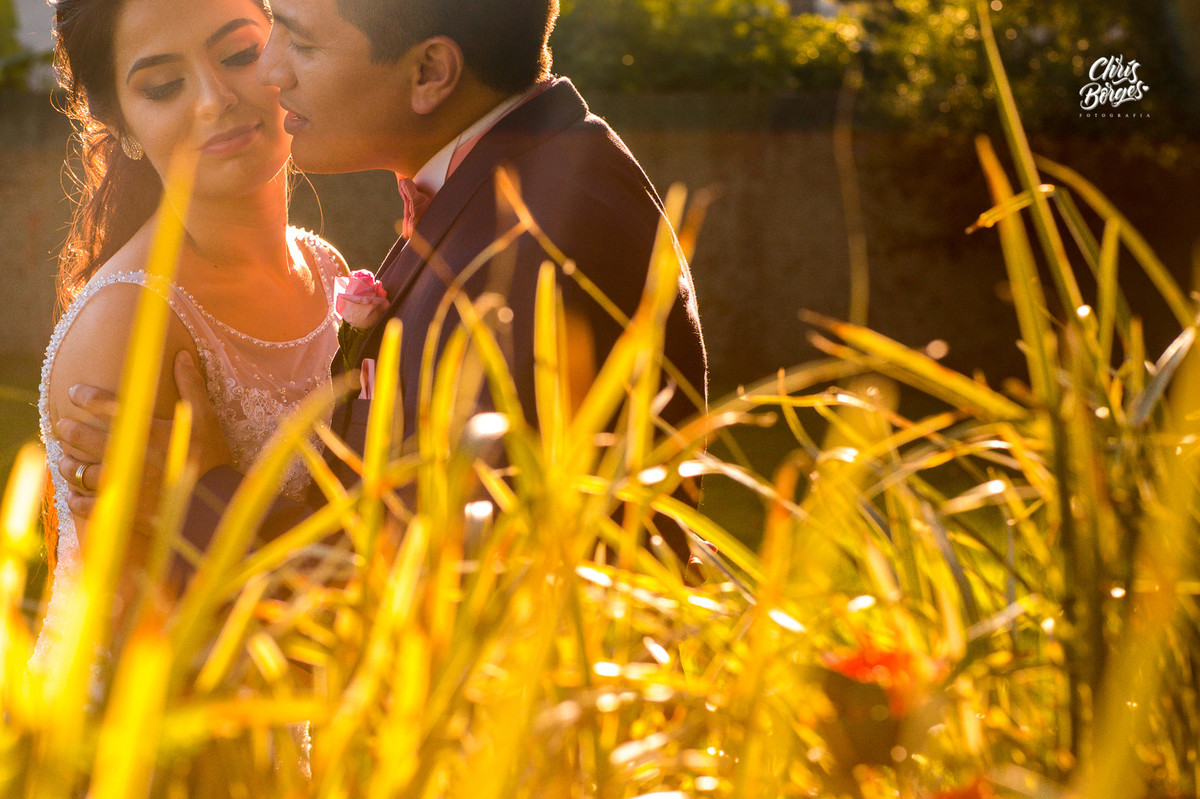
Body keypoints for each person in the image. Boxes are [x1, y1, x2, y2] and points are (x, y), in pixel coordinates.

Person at [60, 0, 708, 563]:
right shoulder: (508, 191)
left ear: (429, 72)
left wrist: (198, 503)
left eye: (296, 42)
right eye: (163, 85)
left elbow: (448, 587)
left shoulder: (528, 254)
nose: (269, 72)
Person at [34, 0, 347, 668]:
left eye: (239, 55)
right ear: (123, 125)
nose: (215, 99)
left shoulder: (329, 274)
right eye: (162, 86)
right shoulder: (129, 325)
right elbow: (134, 645)